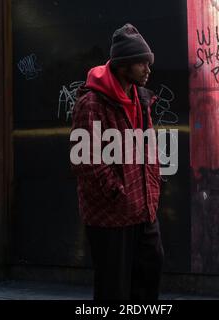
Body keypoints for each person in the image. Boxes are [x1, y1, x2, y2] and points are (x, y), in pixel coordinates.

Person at [70, 23, 164, 300]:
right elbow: (85, 162)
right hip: (110, 216)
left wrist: (153, 184)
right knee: (113, 289)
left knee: (149, 274)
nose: (148, 70)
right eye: (142, 64)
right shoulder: (91, 104)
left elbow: (149, 149)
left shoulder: (141, 99)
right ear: (123, 65)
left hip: (144, 210)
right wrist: (117, 194)